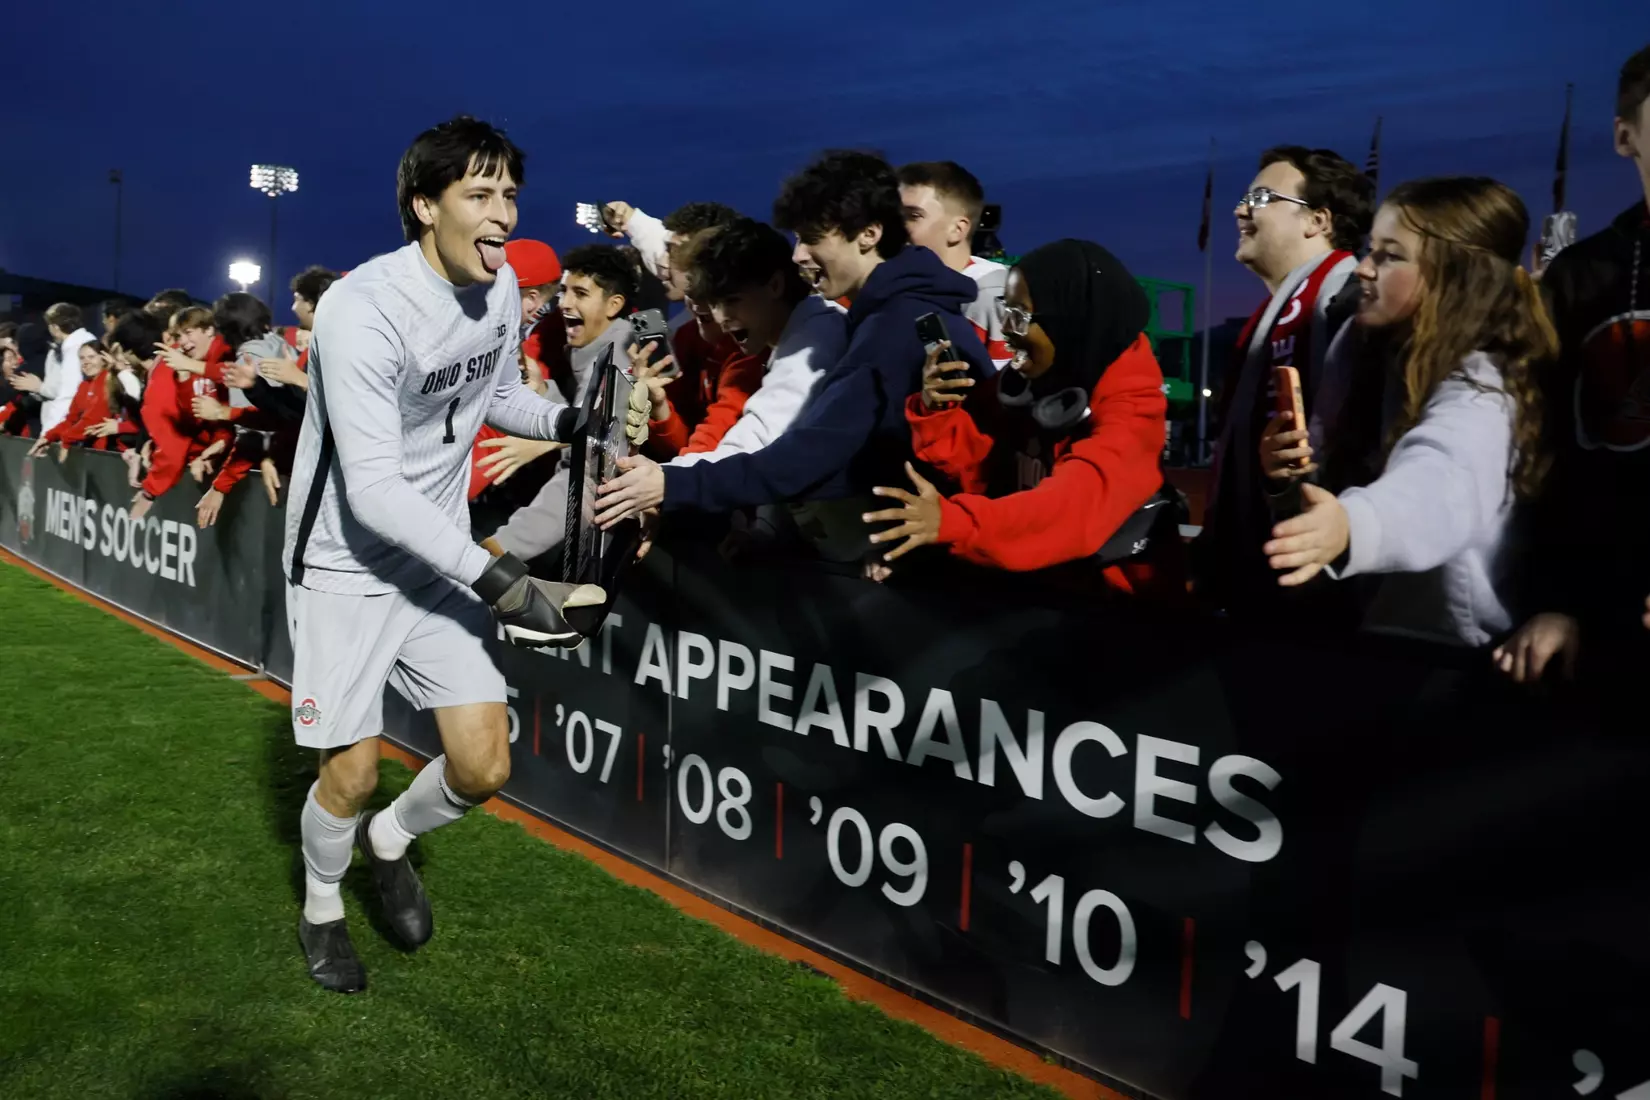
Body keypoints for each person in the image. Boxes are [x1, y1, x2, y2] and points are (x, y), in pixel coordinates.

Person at [281, 116, 637, 994]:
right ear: (422, 206)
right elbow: (372, 490)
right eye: (479, 195)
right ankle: (322, 907)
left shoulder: (504, 284)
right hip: (344, 564)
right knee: (353, 771)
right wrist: (498, 576)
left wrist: (565, 420)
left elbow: (497, 394)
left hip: (433, 555)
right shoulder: (360, 312)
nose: (503, 215)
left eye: (508, 194)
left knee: (484, 767)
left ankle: (392, 842)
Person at [593, 151, 993, 560]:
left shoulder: (892, 327)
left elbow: (810, 454)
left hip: (944, 572)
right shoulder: (883, 316)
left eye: (812, 238)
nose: (798, 254)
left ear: (869, 234)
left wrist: (673, 485)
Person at [1259, 177, 1551, 648]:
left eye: (1390, 255)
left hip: (1450, 654)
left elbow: (1441, 479)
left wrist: (1355, 524)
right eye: (1371, 249)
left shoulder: (1484, 383)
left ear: (1456, 275)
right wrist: (1286, 481)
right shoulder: (1357, 347)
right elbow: (1322, 478)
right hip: (1354, 629)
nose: (1363, 269)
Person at [866, 238, 1178, 590]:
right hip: (1036, 591)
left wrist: (954, 523)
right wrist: (937, 407)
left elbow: (1070, 512)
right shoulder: (1029, 379)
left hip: (1113, 611)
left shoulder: (1133, 408)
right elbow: (967, 459)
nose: (1007, 331)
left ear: (1068, 322)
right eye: (1005, 311)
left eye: (1020, 316)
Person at [1496, 43, 1650, 684]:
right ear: (1625, 136)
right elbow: (1543, 453)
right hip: (1603, 619)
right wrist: (1555, 600)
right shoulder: (1579, 279)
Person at [1198, 146, 1374, 620]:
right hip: (1261, 586)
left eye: (1259, 198)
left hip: (1322, 604)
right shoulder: (1271, 319)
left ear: (1316, 220)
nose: (1239, 210)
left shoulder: (1356, 305)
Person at [478, 244, 642, 565]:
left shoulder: (618, 356)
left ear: (614, 305)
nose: (564, 303)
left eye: (580, 293)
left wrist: (497, 549)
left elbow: (590, 475)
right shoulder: (594, 346)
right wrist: (545, 390)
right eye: (564, 290)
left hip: (605, 542)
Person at [654, 217, 847, 462]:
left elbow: (755, 438)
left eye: (732, 300)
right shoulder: (798, 329)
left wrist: (669, 481)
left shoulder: (813, 342)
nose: (722, 317)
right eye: (714, 304)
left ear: (775, 285)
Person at [897, 161, 1012, 367]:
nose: (896, 228)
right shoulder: (904, 291)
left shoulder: (989, 297)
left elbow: (1006, 393)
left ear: (957, 229)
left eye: (913, 216)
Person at [10, 303, 98, 437]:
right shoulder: (62, 348)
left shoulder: (75, 348)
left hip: (69, 429)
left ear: (55, 327)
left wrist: (48, 434)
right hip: (65, 426)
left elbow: (68, 393)